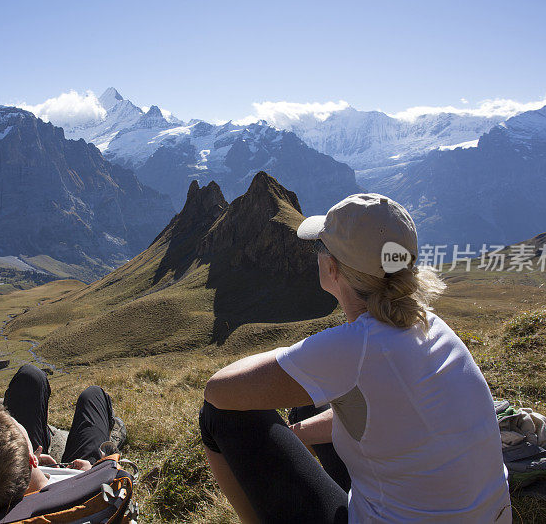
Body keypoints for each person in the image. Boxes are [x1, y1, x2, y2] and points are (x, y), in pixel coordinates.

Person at [199, 193, 512, 523]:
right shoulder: (431, 324)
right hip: (489, 515)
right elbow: (386, 414)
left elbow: (218, 389)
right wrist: (296, 434)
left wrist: (297, 354)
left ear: (332, 268)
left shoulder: (354, 348)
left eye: (321, 247)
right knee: (311, 402)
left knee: (217, 415)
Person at [0, 364, 125, 516]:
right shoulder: (87, 491)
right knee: (93, 396)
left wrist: (27, 467)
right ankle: (113, 437)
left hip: (25, 477)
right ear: (31, 459)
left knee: (30, 377)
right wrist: (92, 472)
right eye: (23, 434)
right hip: (79, 478)